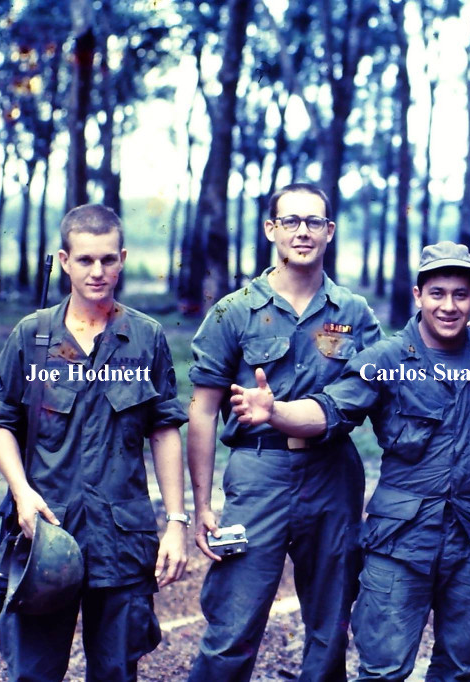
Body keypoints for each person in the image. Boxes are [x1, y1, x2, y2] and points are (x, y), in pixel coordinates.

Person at [229, 241, 470, 681]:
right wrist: (276, 412)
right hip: (401, 539)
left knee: (461, 665)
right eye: (437, 293)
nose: (449, 306)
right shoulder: (386, 359)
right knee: (383, 668)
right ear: (418, 295)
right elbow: (331, 410)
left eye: (460, 295)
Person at [0, 203, 189, 681]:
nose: (98, 271)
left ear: (123, 259)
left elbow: (164, 429)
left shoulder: (146, 338)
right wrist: (21, 492)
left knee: (116, 671)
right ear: (64, 261)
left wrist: (176, 521)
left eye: (108, 259)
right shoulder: (33, 336)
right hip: (46, 532)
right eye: (86, 259)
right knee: (33, 671)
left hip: (121, 538)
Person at [187, 183, 381, 682]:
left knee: (331, 624)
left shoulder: (353, 313)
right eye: (290, 221)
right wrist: (202, 505)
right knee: (234, 621)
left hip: (332, 473)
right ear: (271, 229)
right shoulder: (233, 311)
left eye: (314, 221)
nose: (303, 232)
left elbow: (383, 380)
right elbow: (202, 411)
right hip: (259, 471)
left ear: (329, 231)